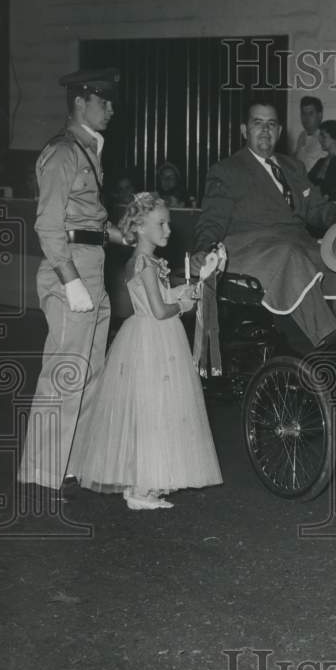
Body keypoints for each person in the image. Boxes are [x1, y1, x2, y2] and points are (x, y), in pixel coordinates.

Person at [18, 68, 132, 504]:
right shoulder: (63, 152)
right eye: (104, 101)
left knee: (90, 371)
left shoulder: (89, 150)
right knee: (65, 371)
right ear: (81, 101)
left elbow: (90, 222)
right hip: (69, 271)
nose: (111, 109)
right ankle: (42, 477)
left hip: (92, 266)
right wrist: (70, 281)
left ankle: (72, 464)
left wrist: (126, 236)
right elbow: (48, 226)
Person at [69, 193, 221, 510]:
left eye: (167, 223)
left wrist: (184, 291)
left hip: (155, 337)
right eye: (161, 224)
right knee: (152, 411)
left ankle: (144, 483)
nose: (168, 230)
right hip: (153, 337)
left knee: (155, 411)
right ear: (140, 227)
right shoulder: (144, 263)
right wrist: (183, 304)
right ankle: (141, 488)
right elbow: (159, 310)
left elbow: (159, 298)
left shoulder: (146, 262)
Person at [192, 98, 336, 348]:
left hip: (299, 246)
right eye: (258, 123)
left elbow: (316, 209)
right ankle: (331, 346)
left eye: (271, 124)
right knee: (290, 256)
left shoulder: (293, 167)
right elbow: (211, 219)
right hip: (254, 251)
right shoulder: (227, 171)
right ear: (244, 131)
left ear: (280, 131)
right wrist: (204, 248)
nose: (265, 130)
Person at [310, 119, 336, 203]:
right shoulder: (320, 161)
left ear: (335, 138)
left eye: (323, 136)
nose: (319, 139)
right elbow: (307, 182)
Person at [294, 96, 324, 174]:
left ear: (320, 115)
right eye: (303, 113)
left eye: (311, 114)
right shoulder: (302, 136)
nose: (306, 118)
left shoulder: (326, 137)